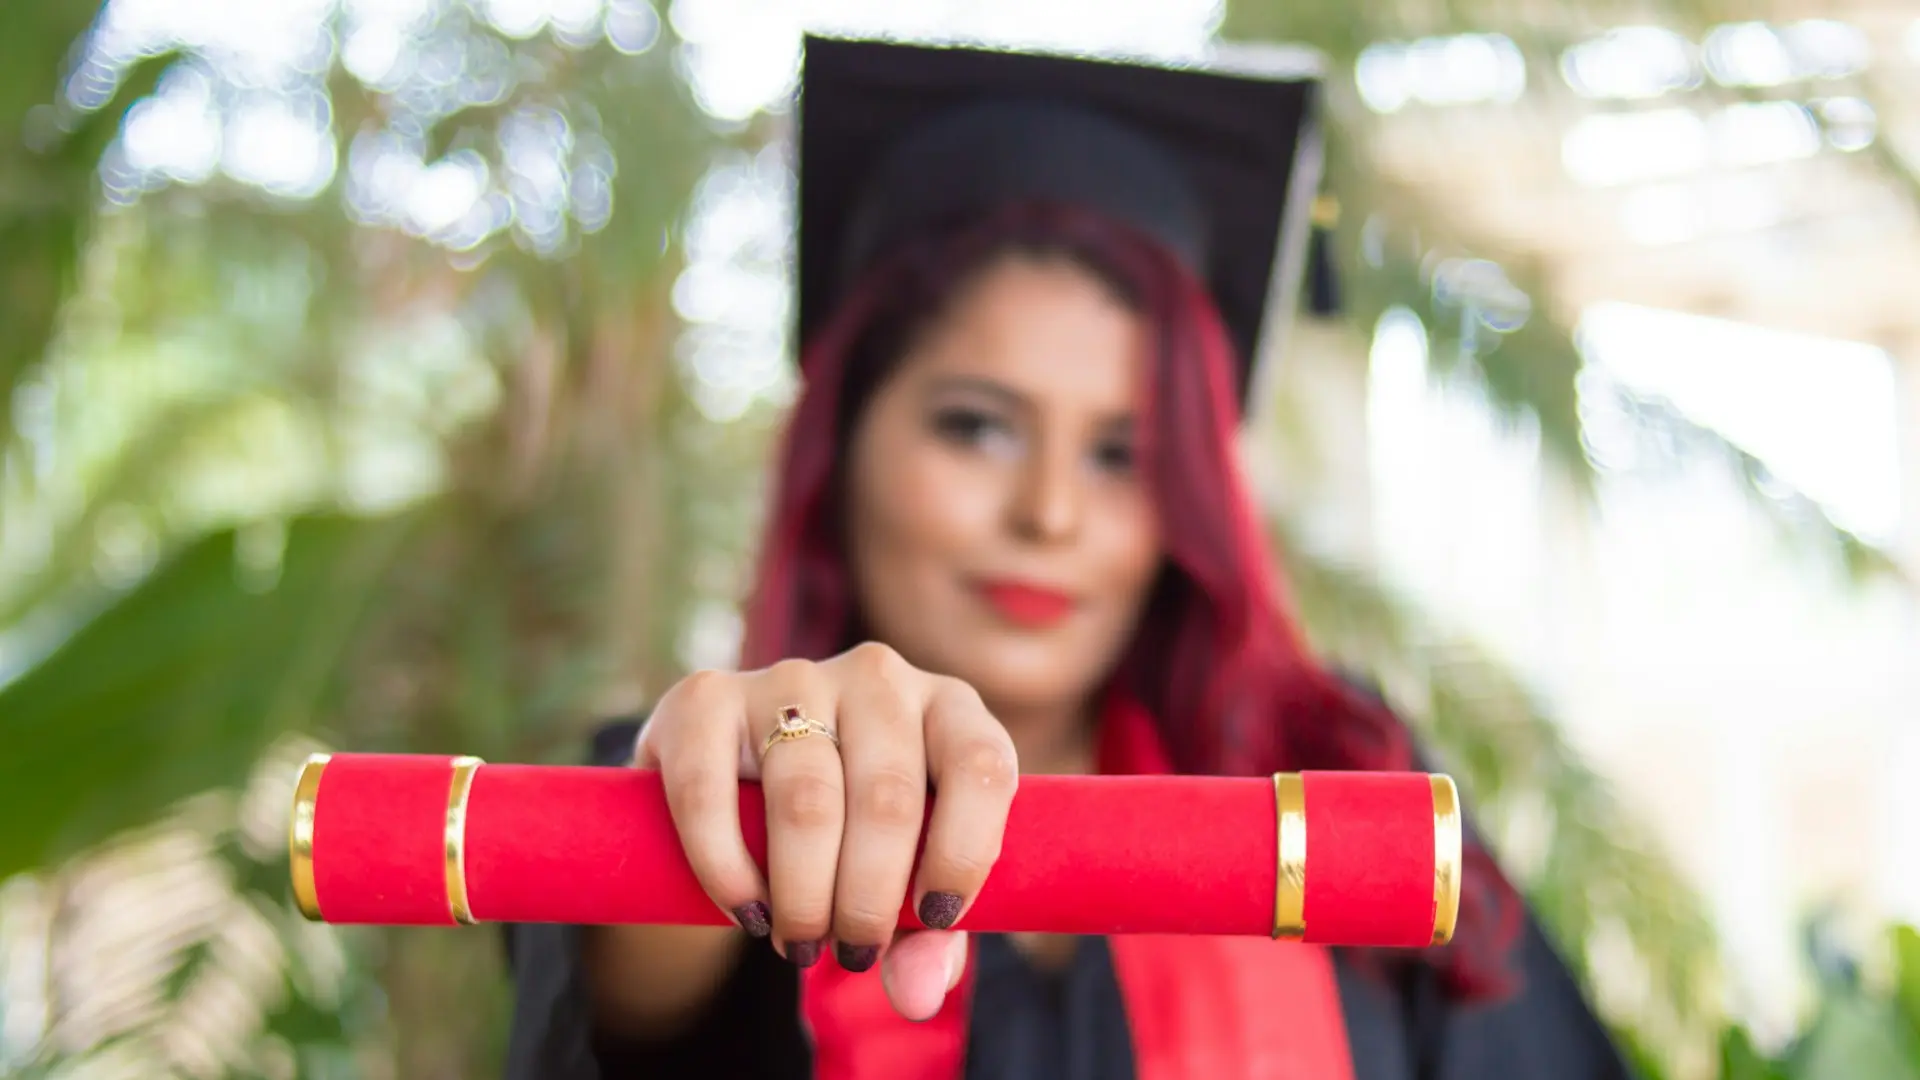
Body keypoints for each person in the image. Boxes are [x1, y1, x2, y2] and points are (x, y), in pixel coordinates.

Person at [505, 36, 1632, 1080]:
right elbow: (628, 1000)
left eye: (1122, 453)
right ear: (842, 443)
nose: (1050, 514)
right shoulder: (724, 784)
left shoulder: (1346, 787)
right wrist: (733, 806)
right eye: (977, 427)